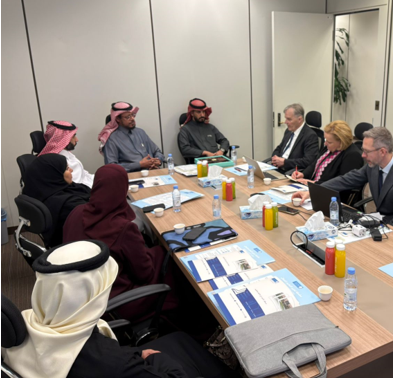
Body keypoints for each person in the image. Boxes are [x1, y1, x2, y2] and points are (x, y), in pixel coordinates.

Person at [1, 240, 235, 378]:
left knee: (180, 339)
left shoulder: (26, 322)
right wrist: (155, 358)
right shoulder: (112, 364)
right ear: (95, 294)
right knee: (185, 343)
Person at [63, 164, 216, 336]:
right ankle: (200, 328)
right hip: (118, 302)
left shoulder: (76, 213)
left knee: (160, 253)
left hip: (83, 298)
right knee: (173, 262)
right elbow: (145, 274)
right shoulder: (122, 228)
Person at [292, 127, 393, 233]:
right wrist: (313, 192)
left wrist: (368, 230)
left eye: (367, 151)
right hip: (381, 221)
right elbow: (346, 180)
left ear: (382, 152)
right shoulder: (374, 165)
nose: (363, 155)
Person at [22, 154, 90, 247]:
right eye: (66, 169)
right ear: (55, 175)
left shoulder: (45, 191)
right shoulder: (70, 204)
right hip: (77, 246)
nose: (71, 170)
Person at [291, 120, 364, 203]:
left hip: (332, 198)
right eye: (325, 139)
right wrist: (303, 174)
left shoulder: (352, 155)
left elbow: (342, 183)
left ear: (341, 142)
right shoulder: (329, 148)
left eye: (329, 142)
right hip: (312, 189)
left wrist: (315, 183)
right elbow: (314, 164)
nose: (325, 143)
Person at [100, 102, 165, 172]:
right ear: (118, 119)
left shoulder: (140, 132)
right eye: (128, 117)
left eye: (133, 115)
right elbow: (111, 167)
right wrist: (139, 164)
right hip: (132, 175)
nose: (132, 119)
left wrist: (158, 160)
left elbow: (157, 151)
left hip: (153, 172)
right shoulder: (111, 139)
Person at [39, 120, 94, 188]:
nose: (77, 140)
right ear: (63, 139)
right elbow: (77, 185)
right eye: (73, 136)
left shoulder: (66, 154)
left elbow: (84, 175)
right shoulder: (61, 162)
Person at [270, 104, 320, 173]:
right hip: (278, 167)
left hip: (290, 171)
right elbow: (279, 148)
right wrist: (275, 158)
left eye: (289, 119)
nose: (285, 122)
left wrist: (285, 162)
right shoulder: (288, 131)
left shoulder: (310, 135)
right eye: (286, 118)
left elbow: (308, 161)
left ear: (299, 119)